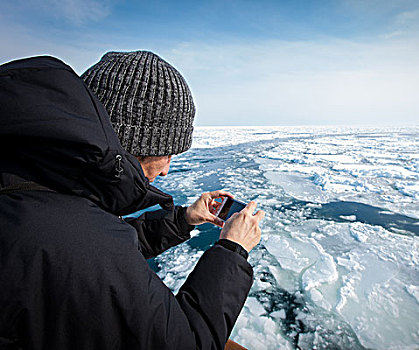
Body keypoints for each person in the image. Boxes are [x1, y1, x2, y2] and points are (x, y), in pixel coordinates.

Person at [0, 51, 264, 349]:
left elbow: (92, 243)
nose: (166, 170)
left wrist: (182, 219)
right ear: (134, 144)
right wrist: (232, 249)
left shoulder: (34, 180)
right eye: (167, 153)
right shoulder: (83, 245)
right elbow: (187, 343)